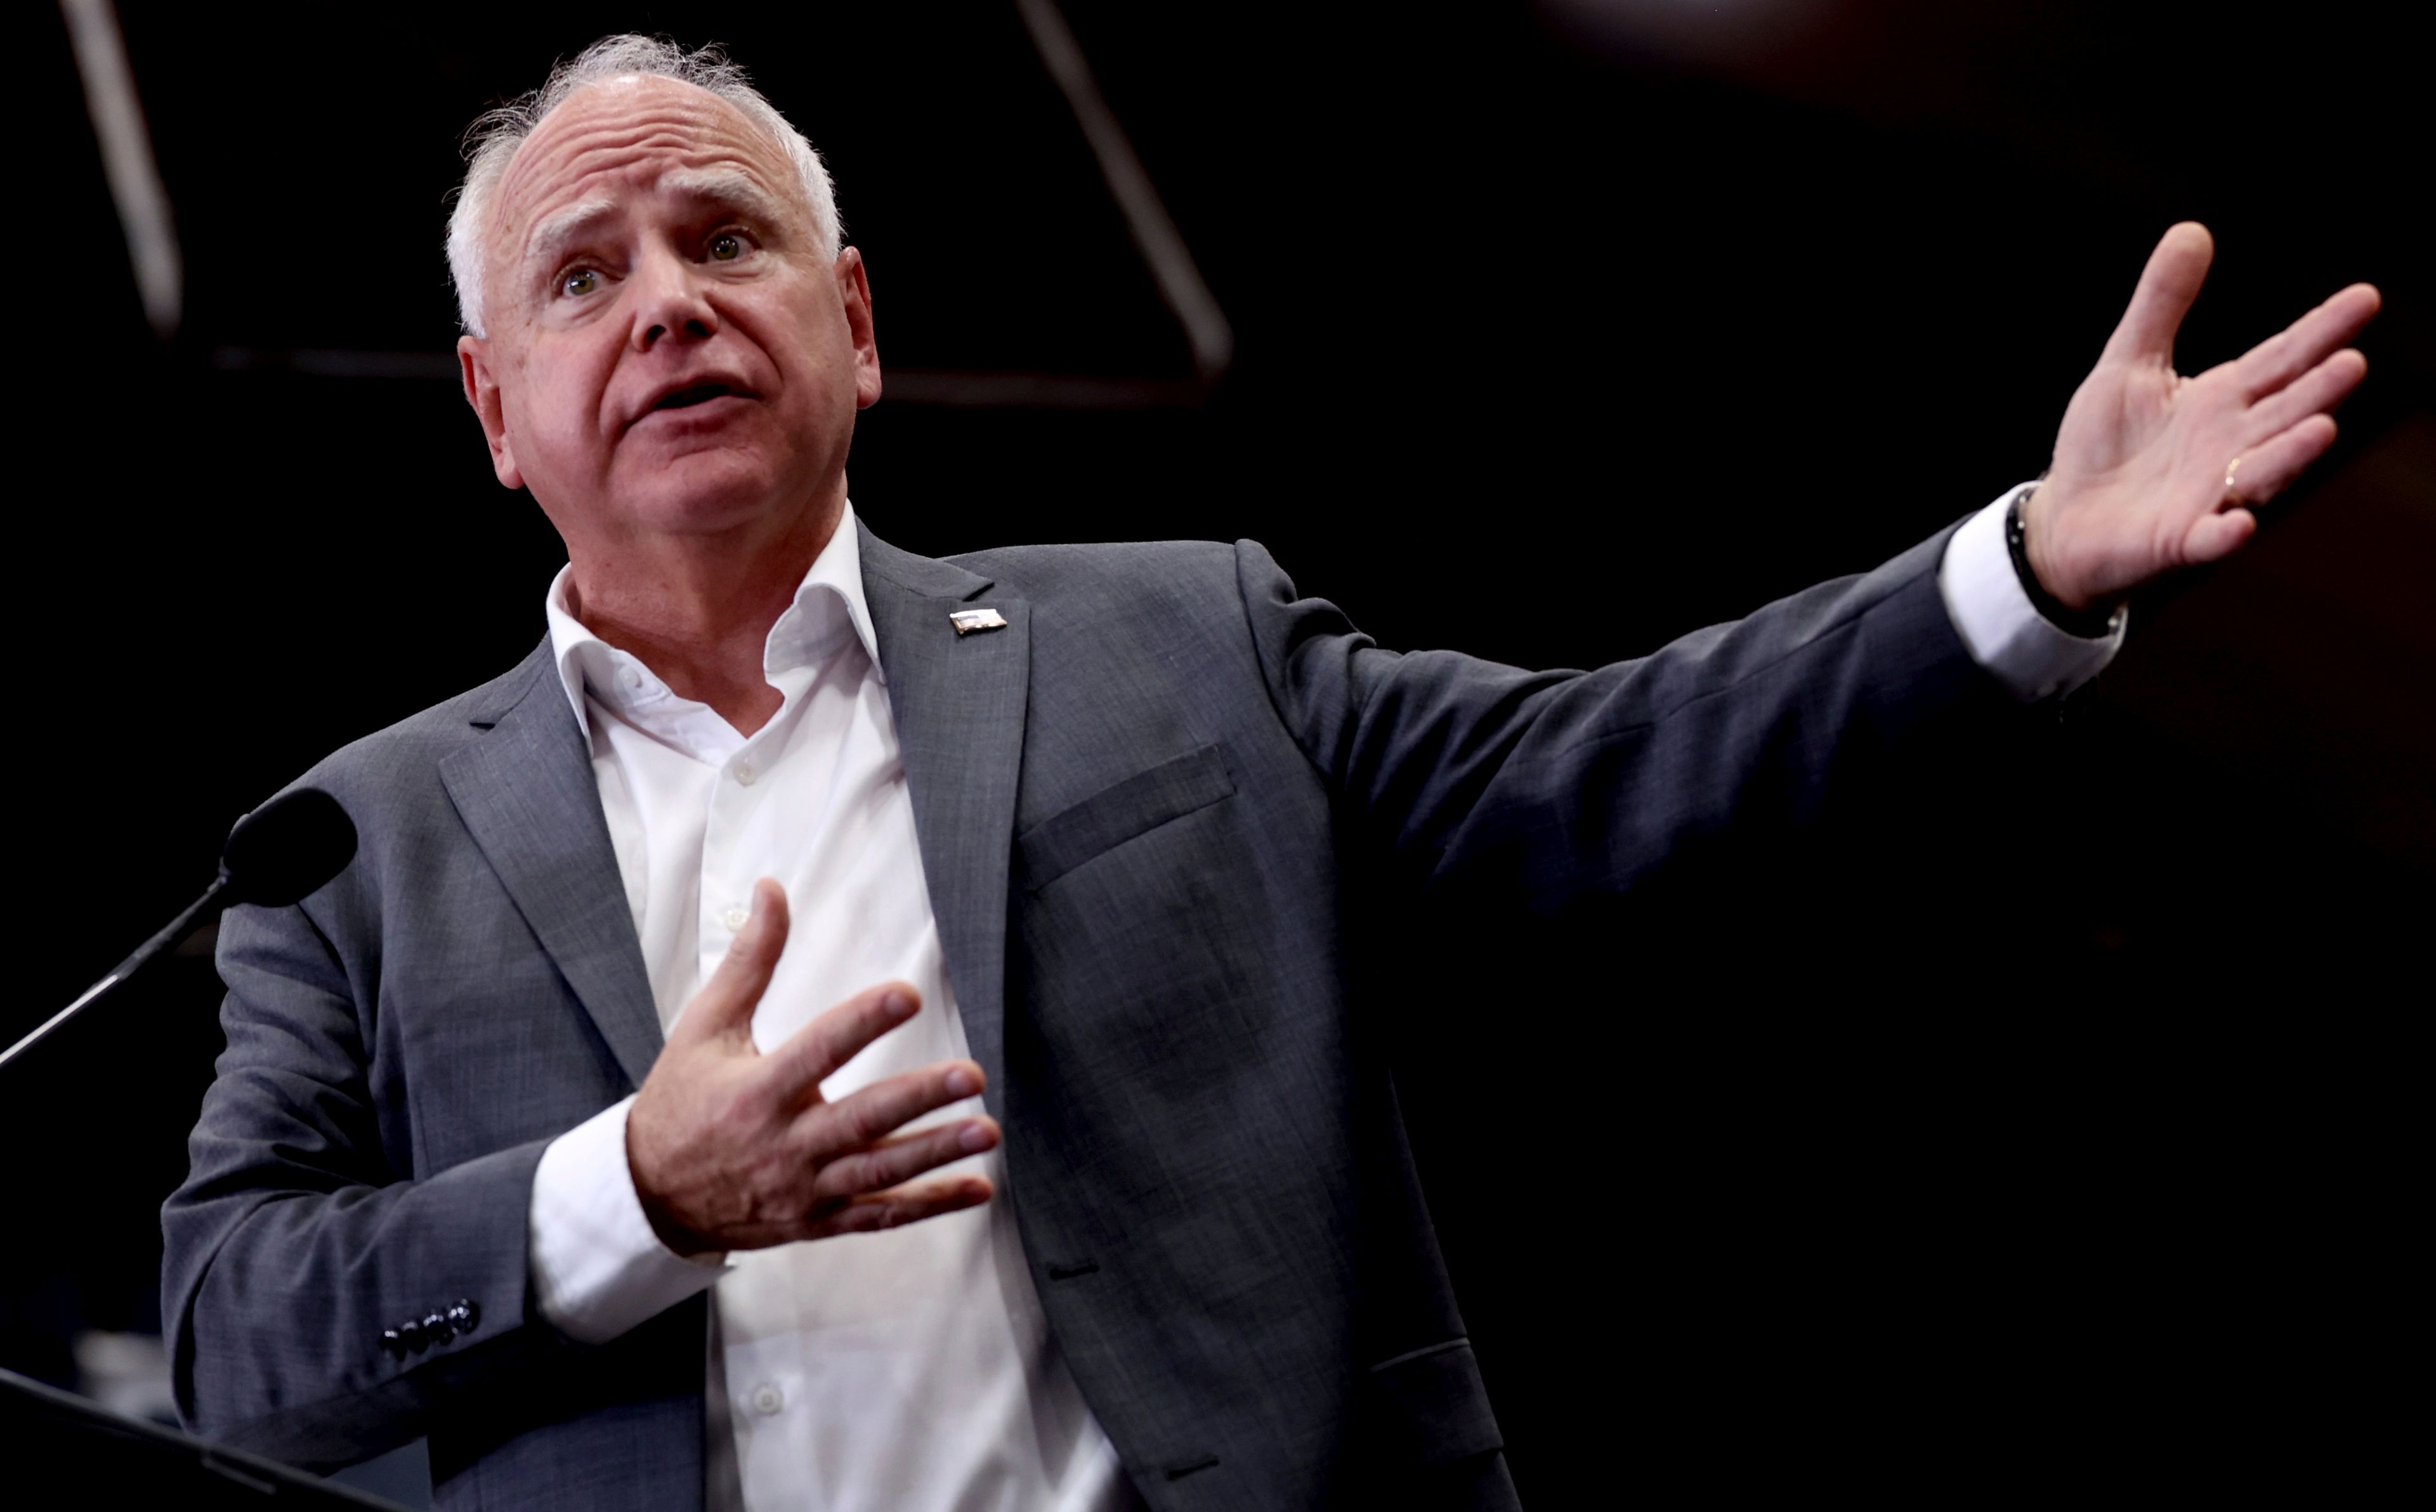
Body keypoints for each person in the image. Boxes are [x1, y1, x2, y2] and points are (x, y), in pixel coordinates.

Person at [160, 34, 2378, 1512]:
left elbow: (1620, 772)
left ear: (855, 321)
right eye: (587, 273)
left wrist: (2018, 575)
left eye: (727, 240)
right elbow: (240, 1342)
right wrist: (629, 1197)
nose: (668, 300)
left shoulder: (1183, 638)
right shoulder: (355, 844)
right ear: (488, 405)